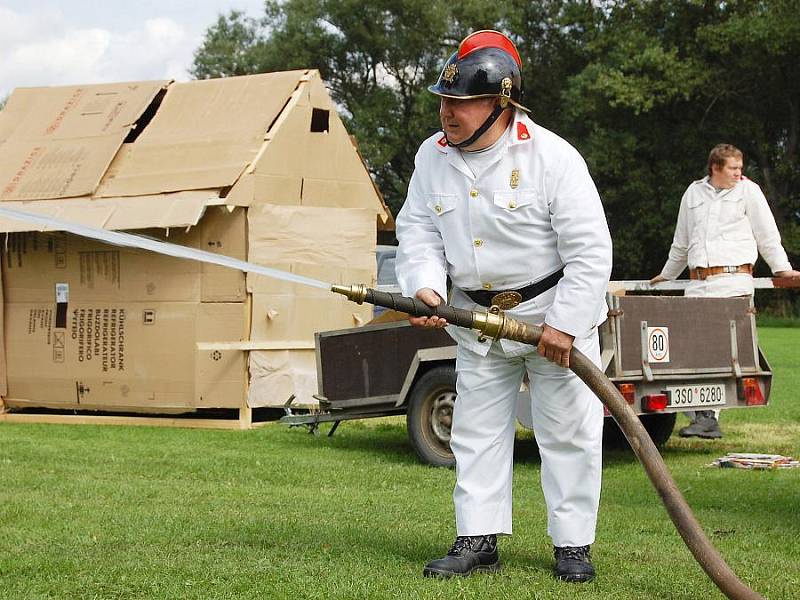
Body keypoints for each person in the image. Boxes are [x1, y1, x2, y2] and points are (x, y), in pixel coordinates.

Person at [394, 30, 612, 583]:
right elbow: (417, 228)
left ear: (501, 104)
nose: (448, 112)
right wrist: (426, 287)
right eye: (444, 101)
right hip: (475, 321)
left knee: (568, 432)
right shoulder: (431, 156)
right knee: (475, 430)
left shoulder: (553, 157)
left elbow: (590, 252)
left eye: (461, 101)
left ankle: (572, 546)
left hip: (549, 316)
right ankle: (478, 539)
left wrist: (564, 325)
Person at [650, 143, 800, 438]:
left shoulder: (749, 192)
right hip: (697, 285)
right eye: (733, 168)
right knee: (689, 350)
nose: (738, 174)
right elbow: (681, 241)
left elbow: (767, 234)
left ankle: (708, 417)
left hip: (732, 282)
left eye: (740, 168)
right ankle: (702, 417)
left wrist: (782, 268)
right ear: (715, 168)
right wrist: (666, 275)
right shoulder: (693, 193)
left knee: (719, 350)